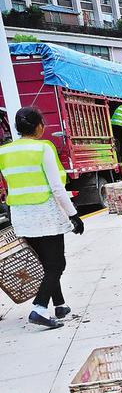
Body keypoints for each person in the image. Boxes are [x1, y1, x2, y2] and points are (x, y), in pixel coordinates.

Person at [0, 107, 84, 329]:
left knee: (46, 263)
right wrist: (73, 215)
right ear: (38, 126)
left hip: (21, 217)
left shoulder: (4, 152)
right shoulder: (42, 148)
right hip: (45, 215)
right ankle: (39, 308)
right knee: (56, 264)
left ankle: (60, 305)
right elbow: (57, 187)